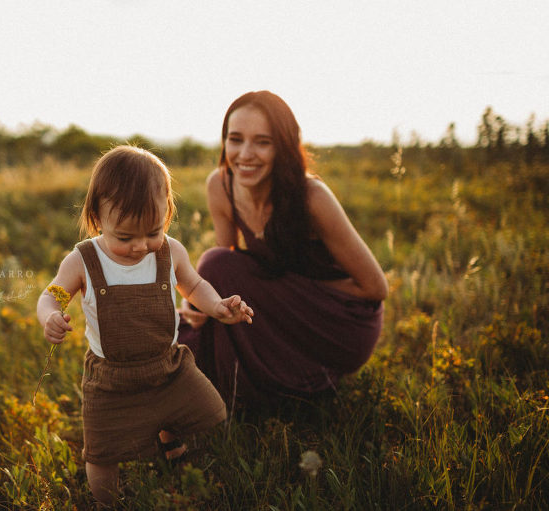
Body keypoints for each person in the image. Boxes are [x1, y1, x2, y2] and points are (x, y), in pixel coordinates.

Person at [36, 145, 254, 506]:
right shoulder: (83, 260)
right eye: (125, 237)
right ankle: (107, 502)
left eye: (153, 231)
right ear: (96, 218)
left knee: (213, 412)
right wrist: (51, 316)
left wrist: (216, 306)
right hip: (112, 380)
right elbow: (51, 296)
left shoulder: (170, 251)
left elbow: (194, 286)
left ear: (167, 214)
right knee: (102, 454)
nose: (141, 246)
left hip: (169, 368)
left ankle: (168, 436)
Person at [178, 90, 387, 409]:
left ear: (284, 146)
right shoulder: (220, 186)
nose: (245, 154)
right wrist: (198, 300)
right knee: (207, 281)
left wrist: (281, 289)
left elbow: (375, 287)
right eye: (235, 139)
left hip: (339, 319)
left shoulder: (312, 197)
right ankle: (228, 389)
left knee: (214, 264)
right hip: (276, 306)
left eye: (263, 141)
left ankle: (259, 392)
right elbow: (227, 267)